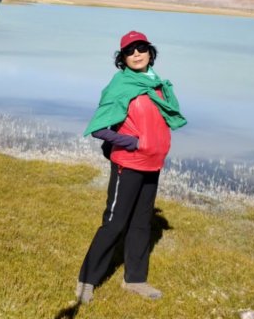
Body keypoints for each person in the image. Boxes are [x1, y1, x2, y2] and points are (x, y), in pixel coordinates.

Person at [76, 30, 186, 303]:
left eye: (141, 48)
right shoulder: (120, 85)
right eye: (129, 51)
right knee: (114, 222)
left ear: (150, 53)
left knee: (141, 223)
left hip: (153, 164)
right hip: (129, 162)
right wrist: (132, 142)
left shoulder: (157, 85)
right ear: (122, 59)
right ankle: (87, 280)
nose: (136, 54)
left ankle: (135, 280)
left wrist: (152, 144)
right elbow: (99, 128)